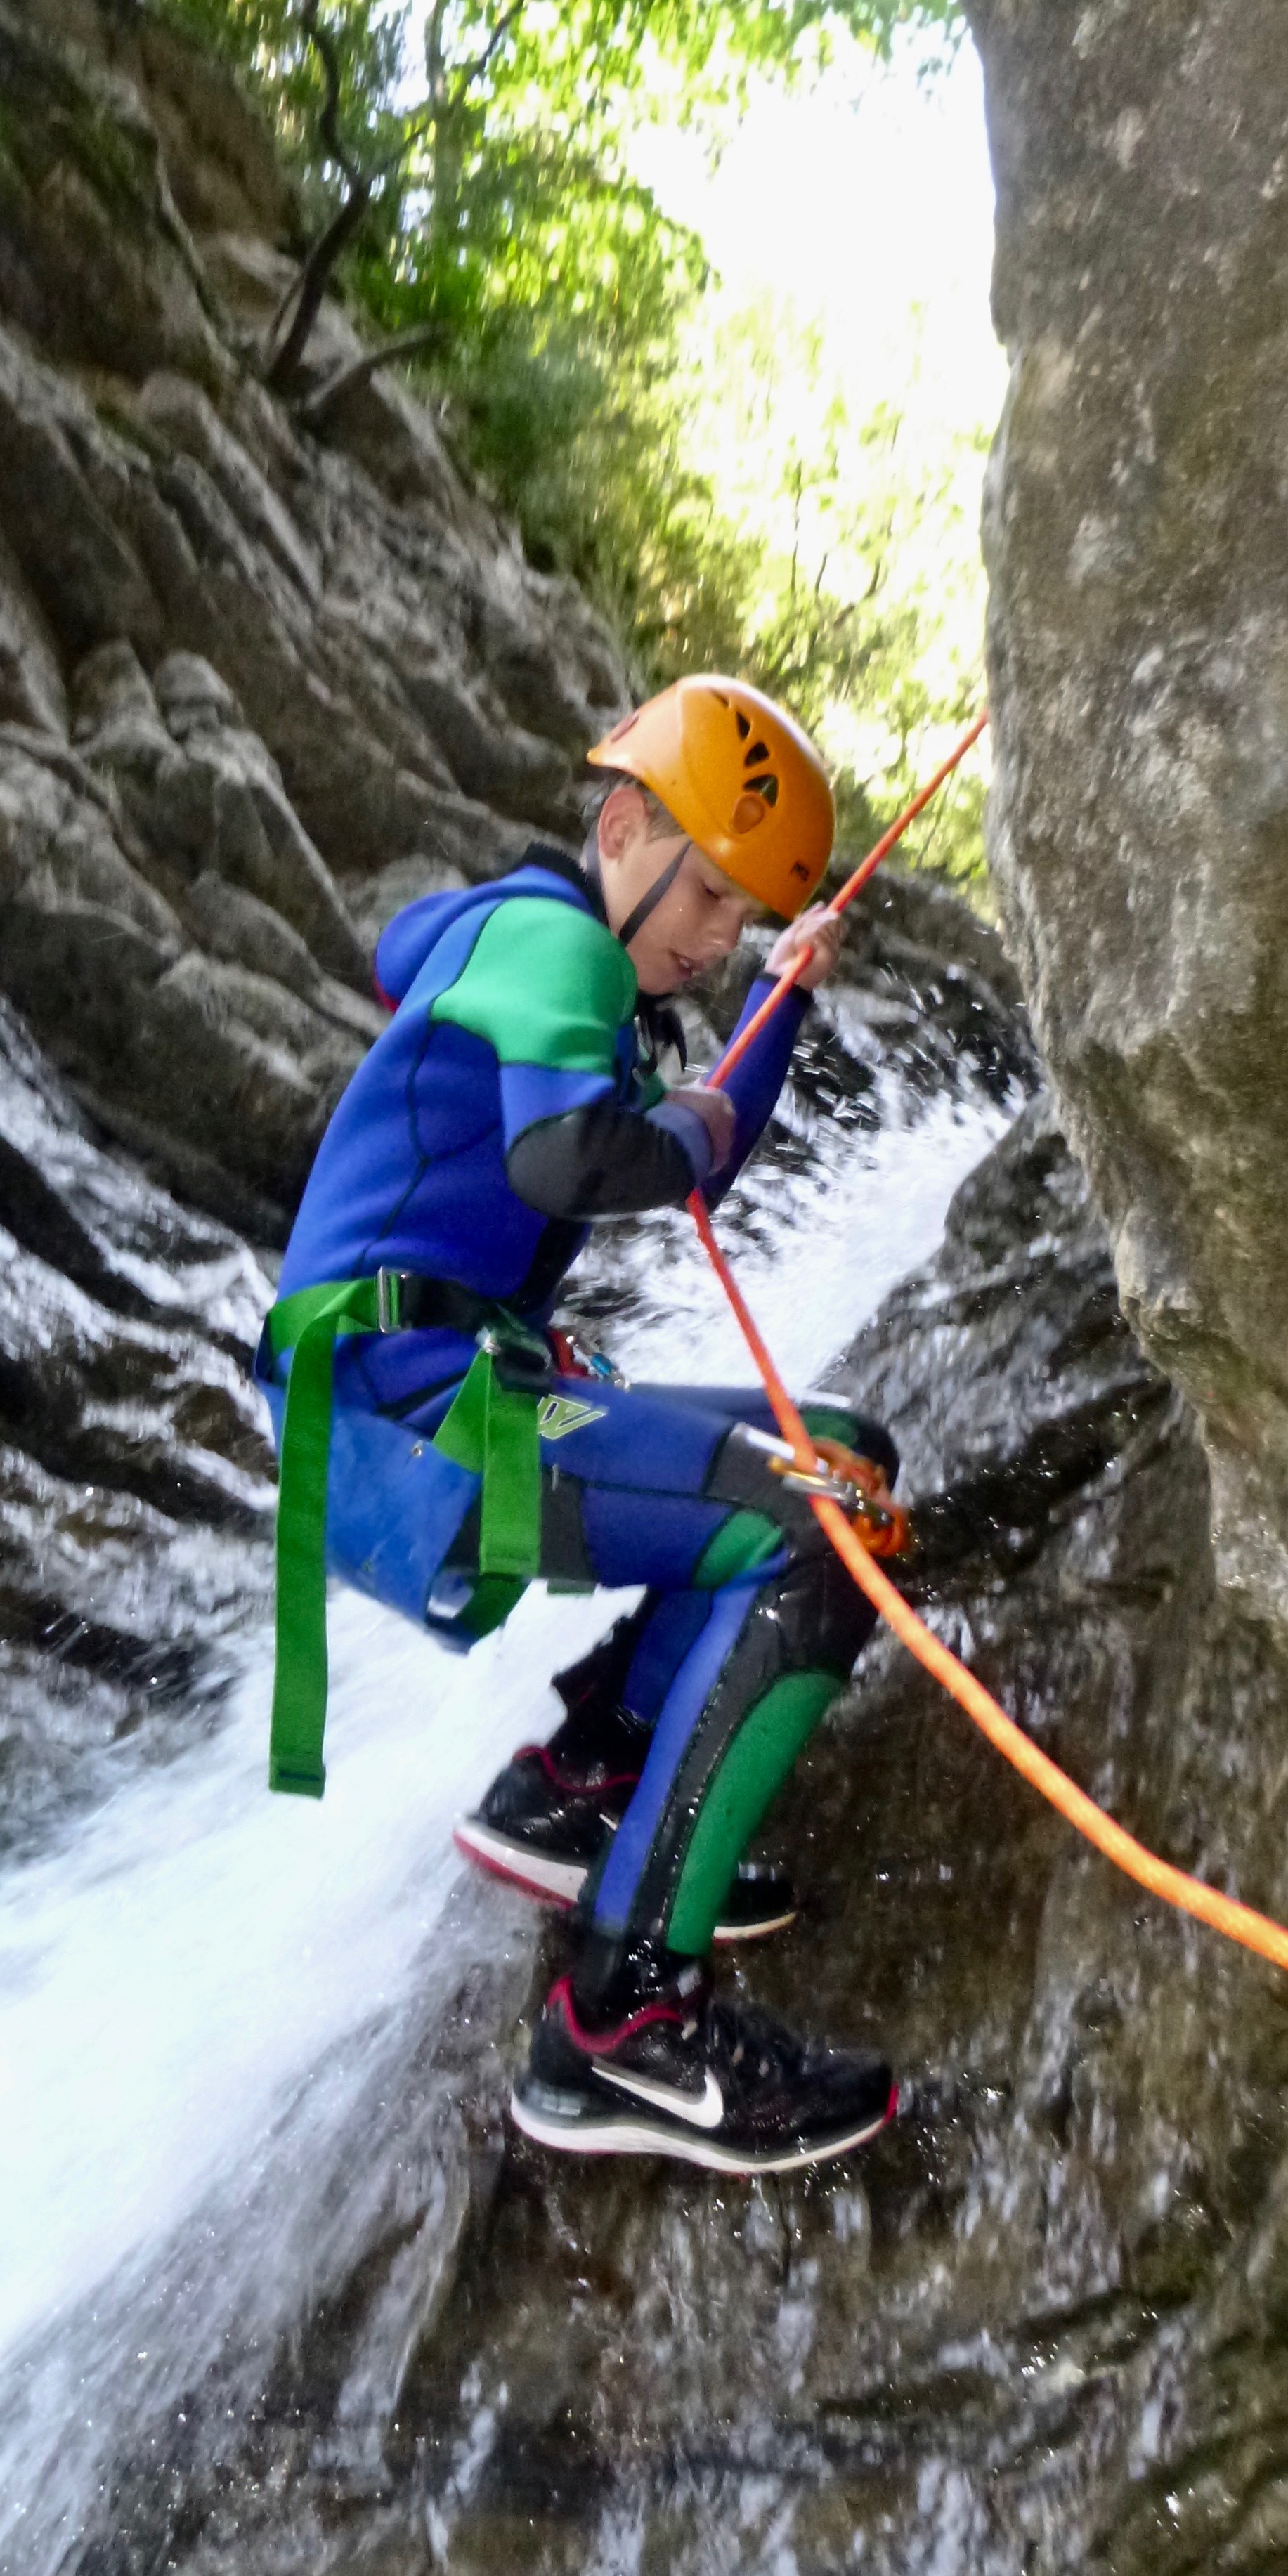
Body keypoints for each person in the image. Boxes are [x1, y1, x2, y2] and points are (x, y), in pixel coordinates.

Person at [256, 676, 904, 2176]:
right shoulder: (551, 940)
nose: (715, 939)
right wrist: (701, 1101)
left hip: (423, 1408)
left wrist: (778, 1007)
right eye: (712, 900)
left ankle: (589, 1781)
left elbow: (682, 1159)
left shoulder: (556, 967)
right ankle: (624, 2023)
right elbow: (572, 1161)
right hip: (409, 1418)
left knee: (841, 1444)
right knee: (816, 1520)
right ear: (626, 827)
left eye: (743, 918)